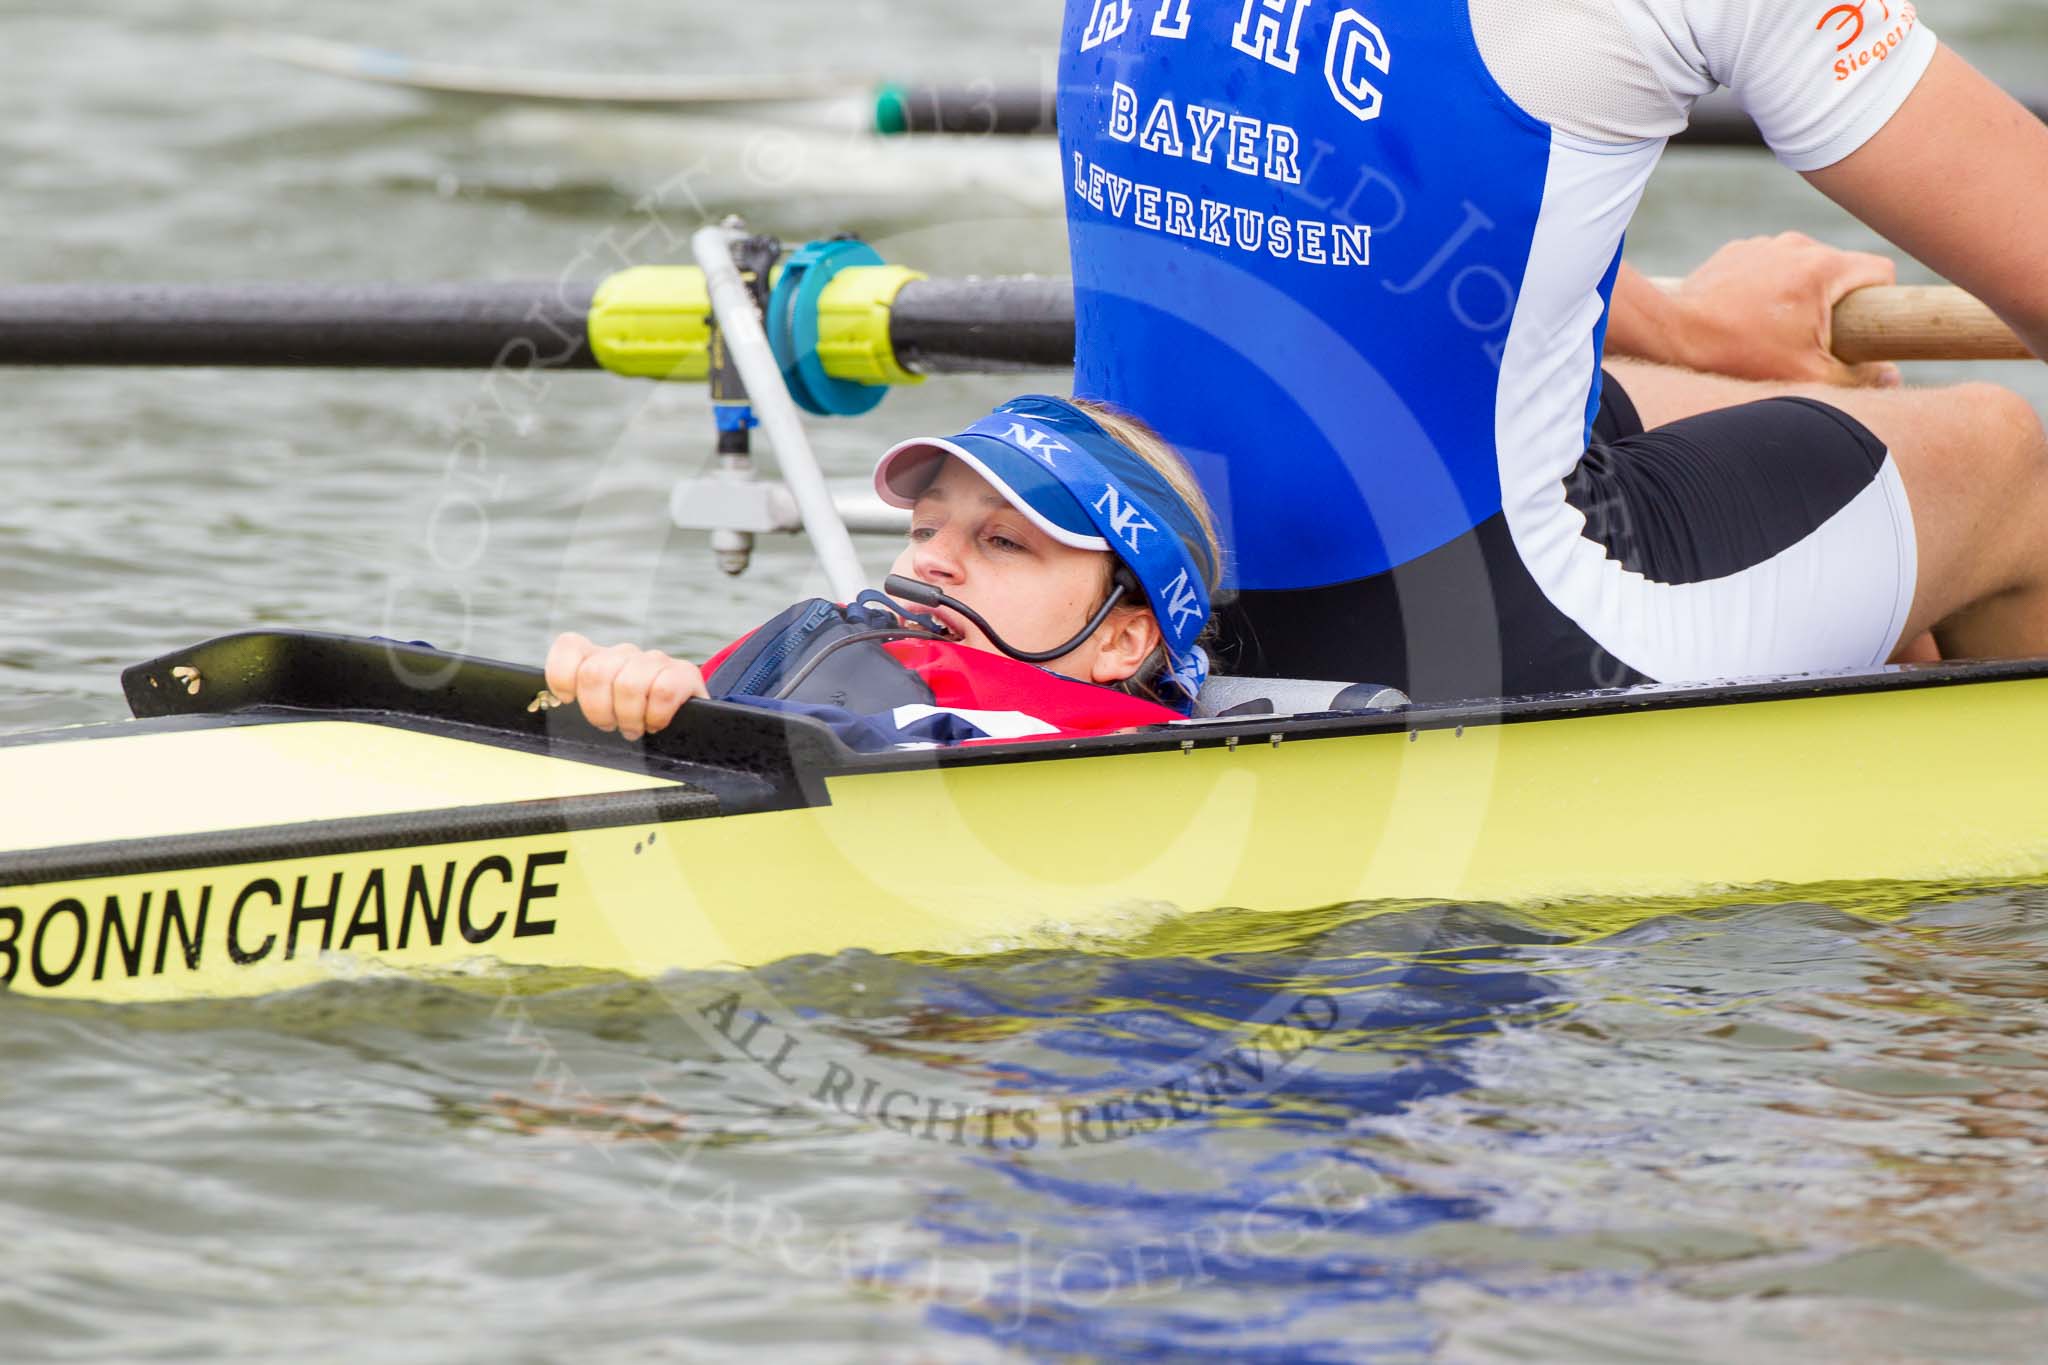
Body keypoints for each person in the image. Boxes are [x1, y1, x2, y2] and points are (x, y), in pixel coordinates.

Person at [1059, 0, 2048, 700]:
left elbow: (1354, 239)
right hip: (1500, 640)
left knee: (1724, 401)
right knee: (2005, 464)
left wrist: (1692, 326)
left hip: (1126, 584)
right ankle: (1973, 965)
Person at [544, 395, 1224, 749]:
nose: (930, 558)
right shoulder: (842, 650)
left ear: (1122, 641)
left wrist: (700, 726)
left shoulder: (1075, 751)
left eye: (1002, 541)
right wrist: (624, 692)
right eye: (925, 527)